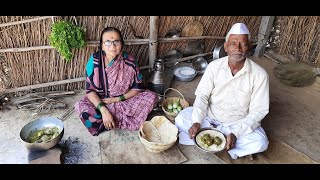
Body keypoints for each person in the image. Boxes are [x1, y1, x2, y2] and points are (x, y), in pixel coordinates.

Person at [175, 23, 269, 160]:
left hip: (237, 123)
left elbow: (259, 111)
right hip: (210, 117)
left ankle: (225, 139)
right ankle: (224, 142)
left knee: (261, 142)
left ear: (249, 46)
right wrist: (196, 121)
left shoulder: (260, 75)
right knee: (180, 118)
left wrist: (236, 132)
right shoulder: (213, 67)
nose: (237, 48)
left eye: (243, 44)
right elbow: (202, 96)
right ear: (226, 47)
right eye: (233, 44)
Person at [75, 27, 158, 136]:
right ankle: (110, 118)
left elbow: (138, 88)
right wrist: (104, 110)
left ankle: (110, 121)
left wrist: (117, 99)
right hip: (102, 101)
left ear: (122, 44)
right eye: (108, 42)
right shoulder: (94, 60)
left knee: (152, 97)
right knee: (81, 106)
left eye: (116, 42)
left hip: (124, 100)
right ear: (102, 45)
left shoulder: (130, 61)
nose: (112, 46)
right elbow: (90, 91)